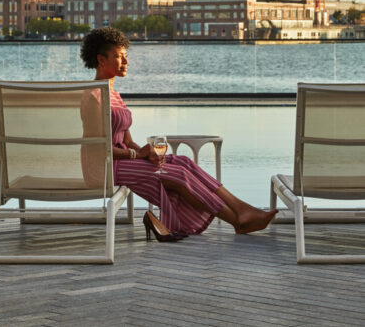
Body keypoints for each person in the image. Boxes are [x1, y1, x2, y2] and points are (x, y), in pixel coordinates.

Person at [80, 27, 277, 240]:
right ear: (101, 60)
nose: (126, 62)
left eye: (126, 56)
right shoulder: (93, 97)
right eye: (119, 57)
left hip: (122, 161)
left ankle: (242, 208)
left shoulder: (114, 95)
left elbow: (127, 141)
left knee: (183, 162)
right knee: (178, 176)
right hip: (104, 168)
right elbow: (98, 150)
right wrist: (138, 155)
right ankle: (237, 221)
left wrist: (148, 153)